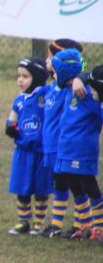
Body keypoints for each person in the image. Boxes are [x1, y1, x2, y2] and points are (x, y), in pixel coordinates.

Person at [52, 51, 103, 242]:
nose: (54, 75)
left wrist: (81, 79)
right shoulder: (67, 89)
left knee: (90, 186)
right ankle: (86, 225)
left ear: (65, 71)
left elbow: (99, 114)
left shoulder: (86, 93)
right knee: (74, 185)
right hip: (66, 149)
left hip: (82, 151)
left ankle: (100, 227)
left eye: (56, 71)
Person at [1, 56, 52, 235]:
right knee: (22, 187)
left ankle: (39, 222)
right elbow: (12, 118)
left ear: (37, 78)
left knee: (40, 189)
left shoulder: (45, 94)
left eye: (25, 76)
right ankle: (23, 221)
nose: (20, 80)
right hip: (23, 151)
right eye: (19, 76)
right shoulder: (19, 99)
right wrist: (10, 127)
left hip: (41, 152)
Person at [39, 39, 85, 238]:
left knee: (75, 184)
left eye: (50, 56)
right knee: (59, 184)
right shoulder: (52, 86)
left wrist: (78, 78)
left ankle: (80, 224)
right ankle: (56, 225)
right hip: (50, 145)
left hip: (63, 145)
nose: (46, 60)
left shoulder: (70, 87)